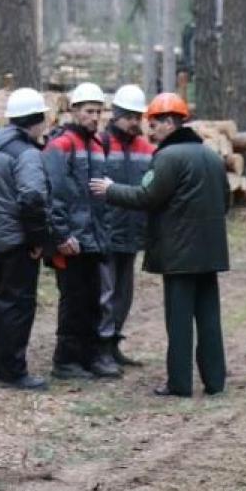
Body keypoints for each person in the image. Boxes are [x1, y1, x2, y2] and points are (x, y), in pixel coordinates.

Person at [89, 93, 229, 397]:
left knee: (178, 321)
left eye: (154, 125)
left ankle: (179, 383)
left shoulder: (167, 157)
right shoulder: (212, 157)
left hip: (179, 255)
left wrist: (111, 190)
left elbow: (146, 196)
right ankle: (215, 381)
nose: (149, 131)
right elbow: (225, 202)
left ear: (170, 122)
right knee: (209, 319)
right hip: (211, 252)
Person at [0, 88, 53, 391]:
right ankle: (13, 370)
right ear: (38, 120)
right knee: (19, 304)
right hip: (18, 239)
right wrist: (38, 239)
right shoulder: (27, 153)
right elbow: (33, 198)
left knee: (3, 302)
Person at [43, 82, 117, 379]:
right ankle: (66, 361)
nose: (95, 117)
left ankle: (90, 357)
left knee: (92, 300)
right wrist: (61, 235)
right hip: (72, 240)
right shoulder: (60, 145)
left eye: (99, 111)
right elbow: (53, 194)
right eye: (89, 111)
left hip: (94, 238)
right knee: (73, 301)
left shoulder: (99, 144)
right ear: (74, 111)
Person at [97, 84, 154, 368]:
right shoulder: (101, 143)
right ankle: (101, 348)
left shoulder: (146, 148)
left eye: (138, 116)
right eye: (129, 116)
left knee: (124, 294)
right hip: (107, 232)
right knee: (105, 295)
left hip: (133, 233)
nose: (135, 122)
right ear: (116, 115)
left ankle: (115, 342)